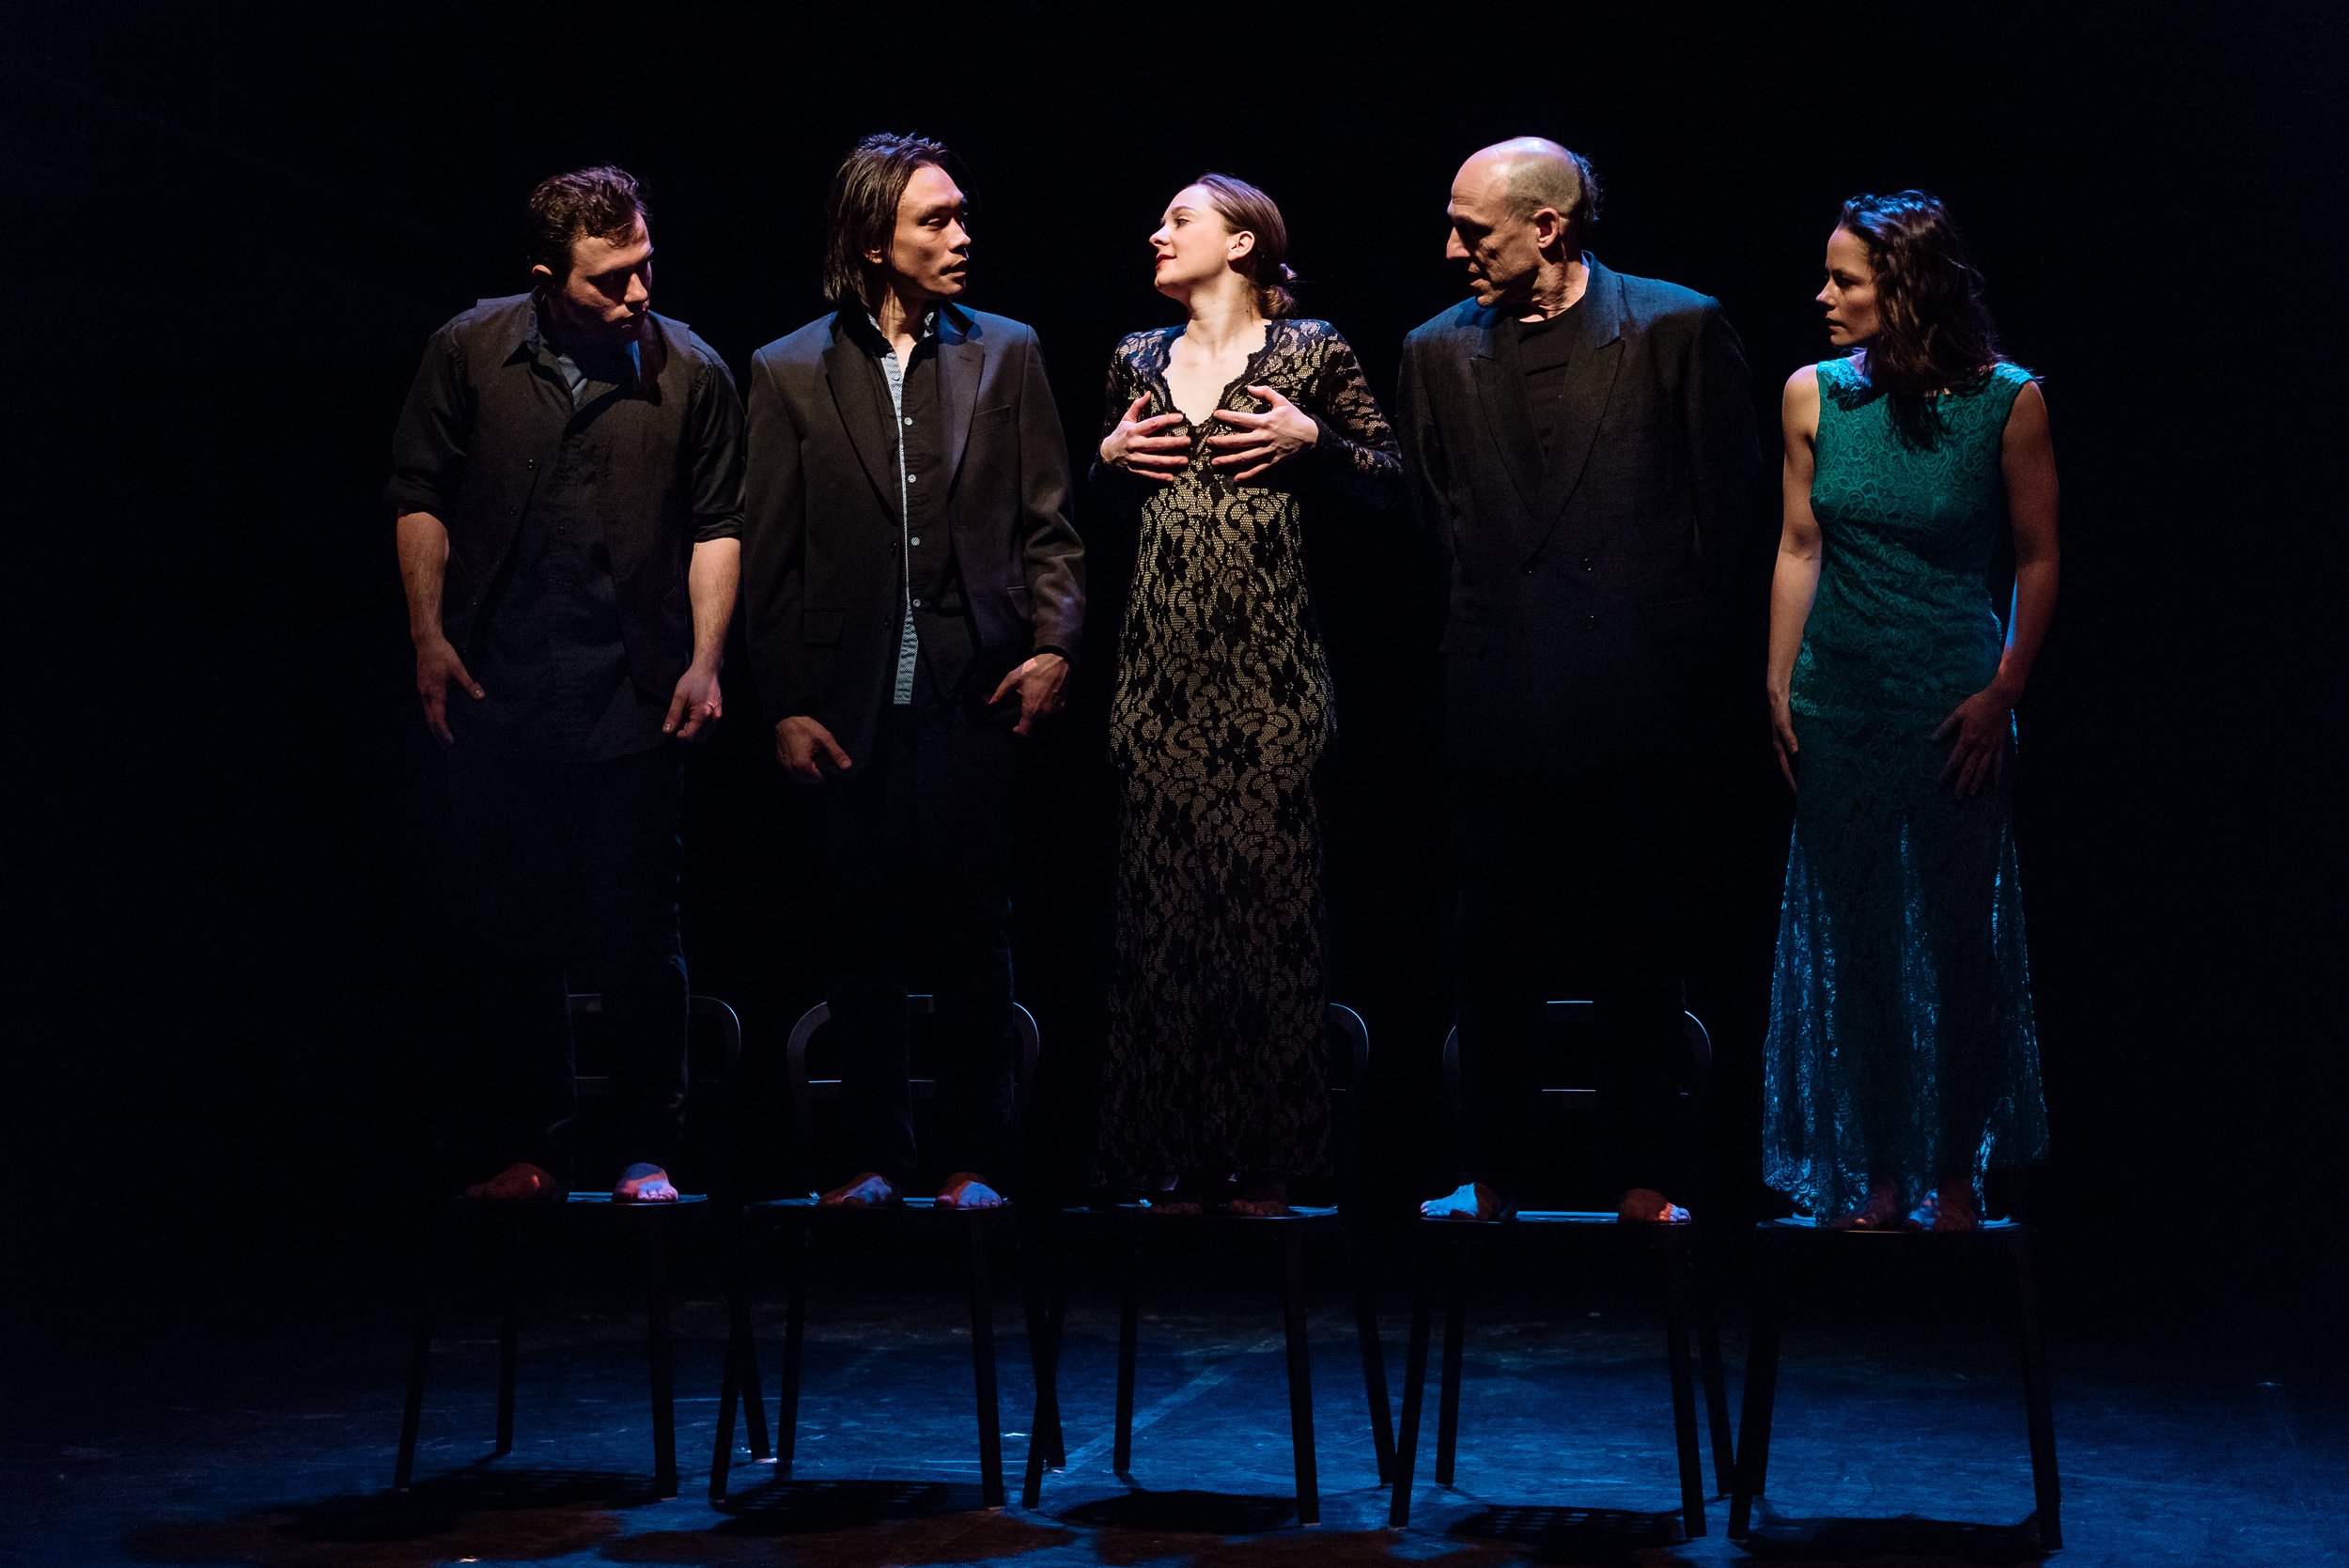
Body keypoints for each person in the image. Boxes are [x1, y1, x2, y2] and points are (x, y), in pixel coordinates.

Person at [1396, 138, 1765, 1225]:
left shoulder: (1674, 328)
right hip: (1498, 691)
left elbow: (1729, 515)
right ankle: (1495, 1173)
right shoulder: (1433, 350)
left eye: (1475, 229)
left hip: (1636, 700)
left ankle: (1648, 1174)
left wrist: (1677, 662)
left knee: (1639, 947)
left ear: (1548, 227)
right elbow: (1439, 518)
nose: (1453, 247)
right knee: (1491, 951)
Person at [388, 164, 745, 1204]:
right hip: (498, 684)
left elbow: (720, 523)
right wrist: (426, 637)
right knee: (512, 929)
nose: (639, 295)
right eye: (612, 280)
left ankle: (646, 1147)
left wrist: (704, 661)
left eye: (646, 267)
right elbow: (419, 491)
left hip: (634, 692)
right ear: (548, 279)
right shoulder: (470, 349)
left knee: (640, 931)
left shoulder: (693, 371)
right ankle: (530, 1143)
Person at [740, 133, 1084, 1211]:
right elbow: (770, 553)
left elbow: (1050, 524)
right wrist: (786, 702)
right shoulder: (789, 369)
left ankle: (976, 1152)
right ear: (872, 239)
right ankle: (872, 1155)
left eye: (960, 216)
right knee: (863, 932)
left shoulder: (1007, 351)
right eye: (934, 221)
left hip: (974, 690)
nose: (959, 236)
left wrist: (1054, 645)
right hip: (849, 701)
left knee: (974, 930)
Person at [1092, 175, 1403, 1216]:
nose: (1157, 230)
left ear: (1241, 242)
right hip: (1158, 681)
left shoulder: (1311, 350)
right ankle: (1171, 1156)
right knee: (1163, 923)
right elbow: (1092, 513)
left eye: (1177, 218)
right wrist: (1103, 457)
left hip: (1269, 685)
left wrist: (1316, 446)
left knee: (1267, 924)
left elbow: (1394, 481)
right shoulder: (1137, 358)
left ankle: (1267, 1158)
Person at [1764, 192, 2056, 1232]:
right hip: (1839, 697)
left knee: (1954, 938)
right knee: (1856, 944)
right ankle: (1875, 1173)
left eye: (1844, 278)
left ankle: (1953, 1171)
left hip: (1951, 700)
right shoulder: (1812, 394)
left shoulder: (2006, 400)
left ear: (1905, 287)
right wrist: (1776, 682)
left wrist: (2003, 690)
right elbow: (1800, 546)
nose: (1824, 295)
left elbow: (2036, 555)